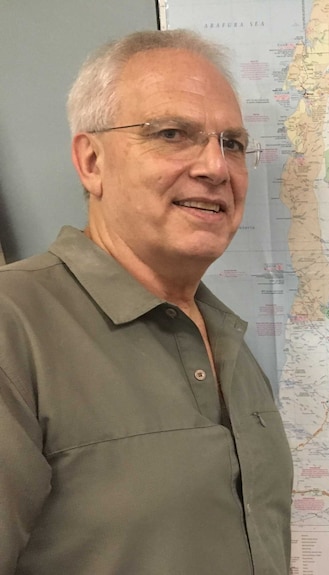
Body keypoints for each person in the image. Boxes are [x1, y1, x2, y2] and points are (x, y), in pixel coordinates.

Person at [0, 30, 293, 574]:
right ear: (91, 161)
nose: (215, 167)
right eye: (173, 133)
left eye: (232, 143)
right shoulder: (14, 327)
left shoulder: (226, 340)